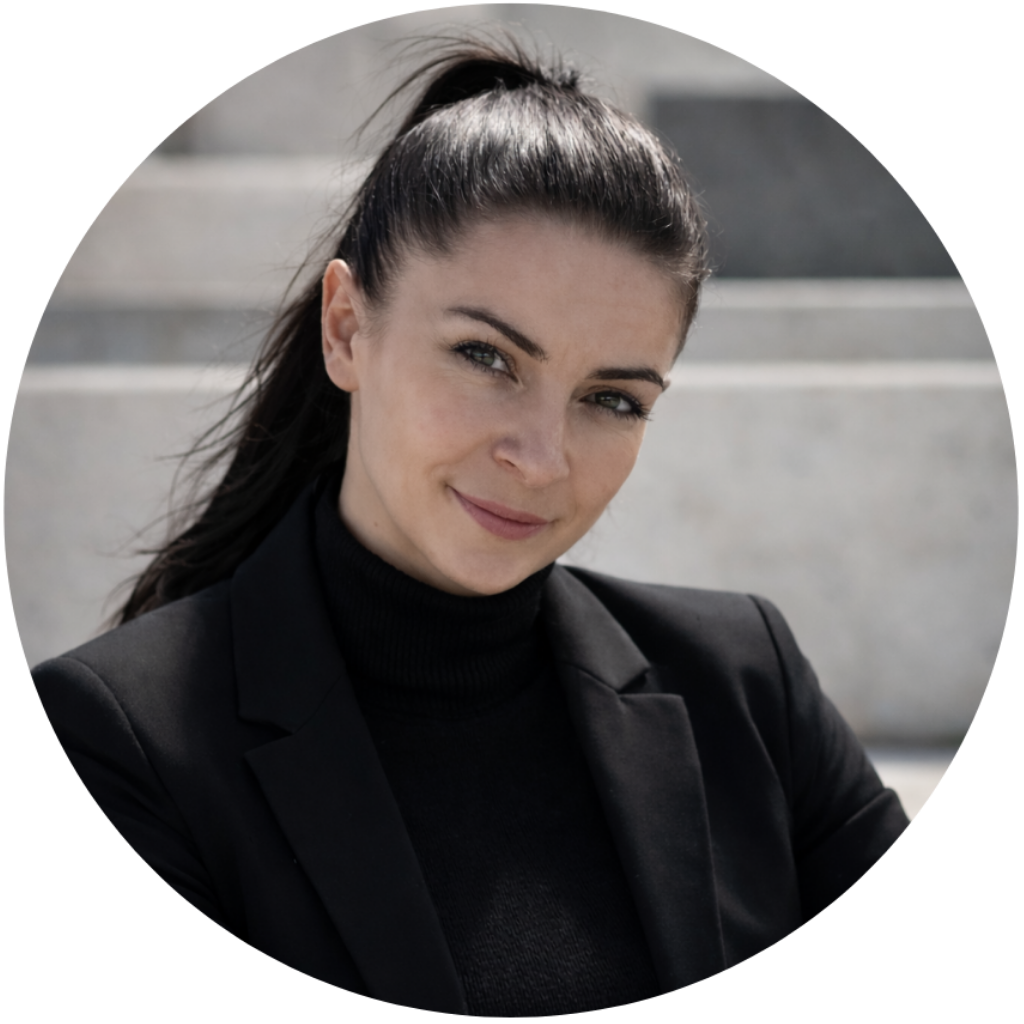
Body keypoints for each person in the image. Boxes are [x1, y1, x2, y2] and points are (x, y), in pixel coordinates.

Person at [30, 37, 910, 1015]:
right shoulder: (118, 741)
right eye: (487, 357)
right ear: (346, 328)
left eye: (611, 399)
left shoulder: (746, 685)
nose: (542, 457)